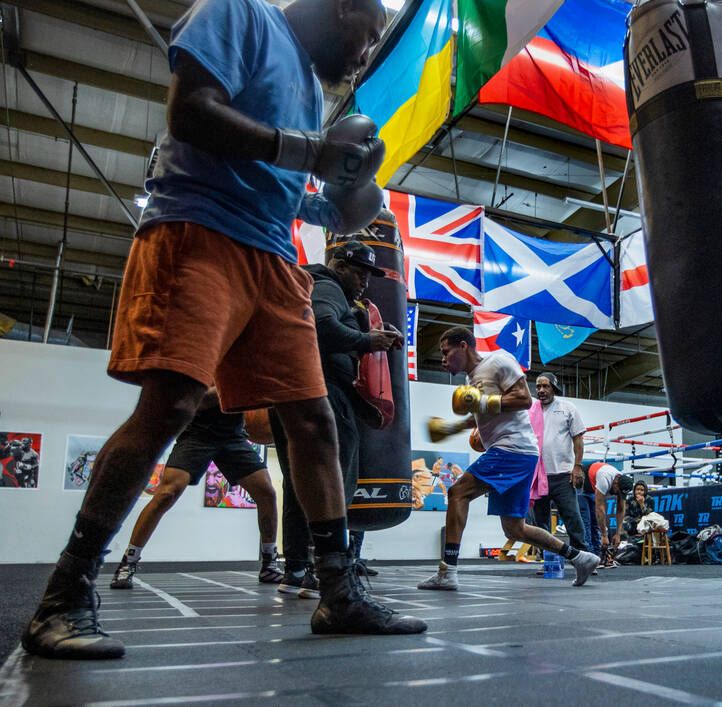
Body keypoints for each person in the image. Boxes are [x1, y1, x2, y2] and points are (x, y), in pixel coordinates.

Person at [21, 0, 424, 660]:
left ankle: (337, 593)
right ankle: (63, 595)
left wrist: (345, 199)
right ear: (344, 7)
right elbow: (191, 111)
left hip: (272, 257)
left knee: (315, 420)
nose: (365, 56)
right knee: (171, 403)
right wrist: (305, 148)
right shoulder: (239, 12)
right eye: (370, 36)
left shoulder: (308, 87)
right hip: (199, 228)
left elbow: (289, 189)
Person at [418, 327, 600, 590]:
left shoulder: (497, 361)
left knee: (458, 493)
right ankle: (580, 557)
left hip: (512, 449)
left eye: (447, 352)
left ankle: (448, 571)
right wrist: (450, 429)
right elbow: (482, 413)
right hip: (520, 453)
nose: (444, 360)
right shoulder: (472, 380)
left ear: (464, 346)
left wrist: (483, 404)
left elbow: (524, 399)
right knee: (515, 529)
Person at [272, 239, 399, 593]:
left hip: (294, 392)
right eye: (359, 272)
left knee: (300, 483)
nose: (365, 281)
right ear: (339, 264)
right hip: (323, 393)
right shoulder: (328, 286)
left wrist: (365, 330)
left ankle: (297, 569)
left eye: (370, 275)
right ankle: (323, 569)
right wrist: (367, 341)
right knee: (335, 479)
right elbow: (323, 327)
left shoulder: (315, 286)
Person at [109, 390, 284, 589]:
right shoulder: (206, 367)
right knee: (167, 494)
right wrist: (230, 389)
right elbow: (194, 399)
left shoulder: (241, 365)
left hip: (233, 436)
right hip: (196, 436)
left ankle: (269, 563)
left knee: (267, 493)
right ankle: (128, 562)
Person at [530, 372, 589, 551]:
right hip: (539, 476)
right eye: (538, 386)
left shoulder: (567, 408)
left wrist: (577, 467)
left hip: (563, 475)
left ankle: (583, 556)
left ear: (554, 388)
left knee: (572, 517)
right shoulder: (531, 410)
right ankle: (547, 559)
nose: (541, 390)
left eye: (545, 386)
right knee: (540, 522)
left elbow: (578, 440)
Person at [587, 461, 635, 564]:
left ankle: (598, 557)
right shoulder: (605, 479)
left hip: (596, 478)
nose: (617, 494)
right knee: (587, 522)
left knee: (596, 525)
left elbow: (621, 509)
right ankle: (588, 558)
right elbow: (600, 508)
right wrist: (604, 535)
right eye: (618, 491)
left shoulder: (623, 482)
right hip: (585, 479)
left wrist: (618, 534)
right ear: (615, 482)